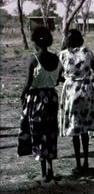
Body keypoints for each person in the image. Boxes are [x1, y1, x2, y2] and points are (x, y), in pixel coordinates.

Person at [17, 26, 62, 183]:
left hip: (37, 99)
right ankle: (51, 169)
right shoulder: (57, 58)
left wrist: (22, 96)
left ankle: (44, 173)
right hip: (52, 98)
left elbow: (28, 83)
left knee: (38, 133)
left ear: (35, 41)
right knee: (50, 132)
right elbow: (57, 80)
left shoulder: (33, 59)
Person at [59, 29, 94, 174]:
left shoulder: (64, 55)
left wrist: (68, 80)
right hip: (86, 91)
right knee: (85, 131)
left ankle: (78, 164)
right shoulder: (88, 53)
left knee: (75, 130)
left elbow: (58, 74)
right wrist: (88, 80)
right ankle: (86, 163)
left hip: (72, 93)